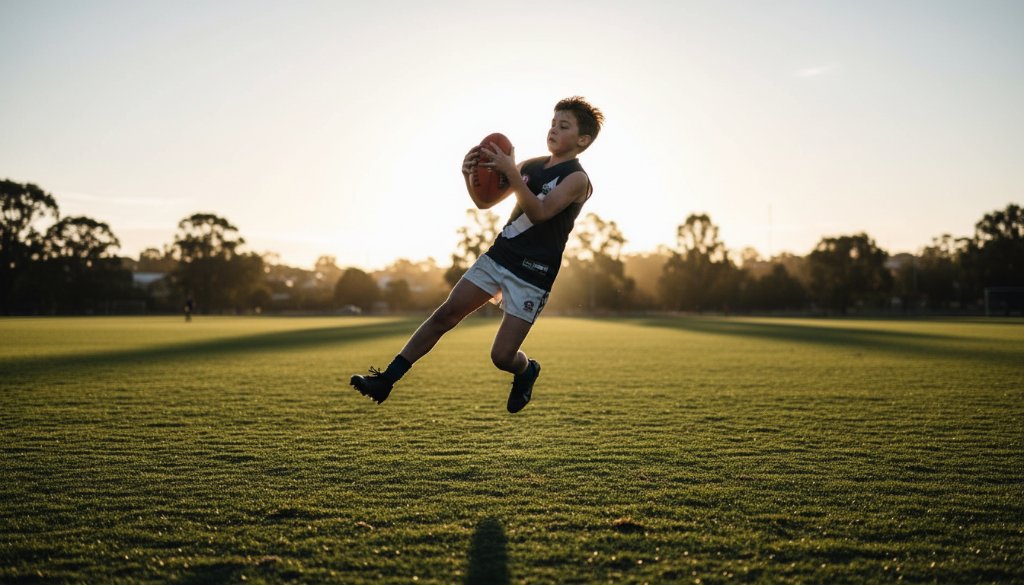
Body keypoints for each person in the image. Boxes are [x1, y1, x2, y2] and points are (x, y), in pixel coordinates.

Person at [350, 96, 604, 413]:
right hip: (501, 256)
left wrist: (511, 172)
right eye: (552, 123)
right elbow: (484, 203)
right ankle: (386, 380)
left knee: (501, 356)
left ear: (583, 140)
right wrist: (468, 175)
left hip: (534, 273)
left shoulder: (577, 179)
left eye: (563, 126)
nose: (553, 130)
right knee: (445, 315)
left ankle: (527, 370)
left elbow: (539, 212)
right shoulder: (528, 166)